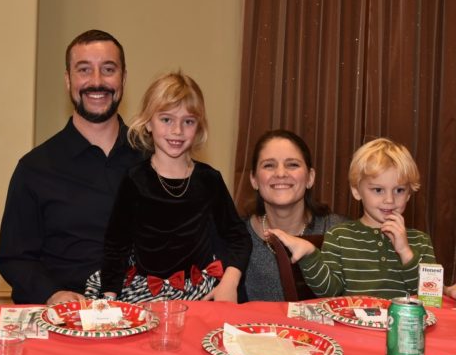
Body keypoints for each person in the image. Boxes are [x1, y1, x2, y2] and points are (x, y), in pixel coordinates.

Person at [0, 29, 142, 304]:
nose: (96, 81)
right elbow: (14, 258)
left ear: (123, 78)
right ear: (68, 80)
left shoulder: (154, 159)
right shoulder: (34, 168)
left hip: (144, 313)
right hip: (64, 318)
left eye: (108, 69)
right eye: (84, 70)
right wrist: (53, 294)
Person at [85, 71, 251, 303]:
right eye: (166, 120)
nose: (177, 130)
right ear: (148, 123)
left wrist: (229, 283)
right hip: (145, 294)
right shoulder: (135, 179)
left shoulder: (209, 179)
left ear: (198, 127)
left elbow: (239, 238)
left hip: (200, 292)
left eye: (188, 121)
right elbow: (116, 245)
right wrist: (109, 299)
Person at [270, 137, 439, 299]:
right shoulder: (339, 237)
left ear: (409, 194)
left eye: (399, 190)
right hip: (353, 319)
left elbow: (430, 296)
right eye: (378, 190)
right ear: (357, 191)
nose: (389, 200)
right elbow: (329, 292)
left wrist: (405, 252)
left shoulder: (421, 242)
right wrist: (310, 254)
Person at [243, 129, 346, 301]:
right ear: (254, 179)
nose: (281, 173)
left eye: (292, 164)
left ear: (310, 178)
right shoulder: (235, 238)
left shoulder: (341, 232)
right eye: (269, 165)